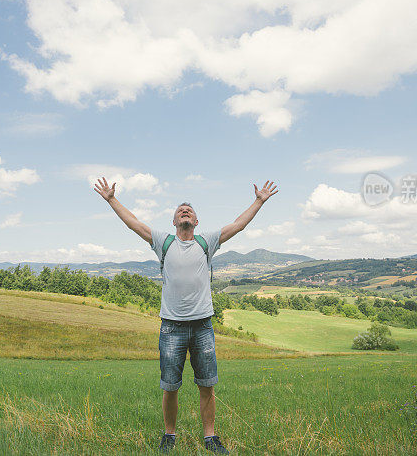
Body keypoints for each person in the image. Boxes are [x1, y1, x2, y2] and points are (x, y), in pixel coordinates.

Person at [93, 177, 279, 454]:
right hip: (171, 328)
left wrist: (259, 201)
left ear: (197, 221)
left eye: (189, 210)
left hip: (203, 326)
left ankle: (210, 437)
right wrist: (110, 200)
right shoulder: (162, 242)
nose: (185, 211)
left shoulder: (207, 243)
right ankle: (169, 436)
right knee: (170, 386)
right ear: (173, 221)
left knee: (207, 384)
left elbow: (238, 225)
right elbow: (133, 223)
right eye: (180, 210)